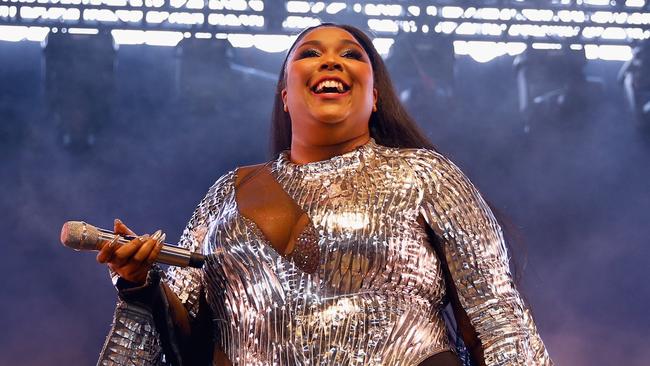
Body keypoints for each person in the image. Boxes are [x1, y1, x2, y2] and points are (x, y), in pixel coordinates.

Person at [96, 24, 553, 366]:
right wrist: (139, 283)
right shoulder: (231, 193)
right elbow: (182, 331)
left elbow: (495, 316)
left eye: (351, 55)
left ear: (374, 97)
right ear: (285, 96)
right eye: (310, 53)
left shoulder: (427, 176)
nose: (331, 61)